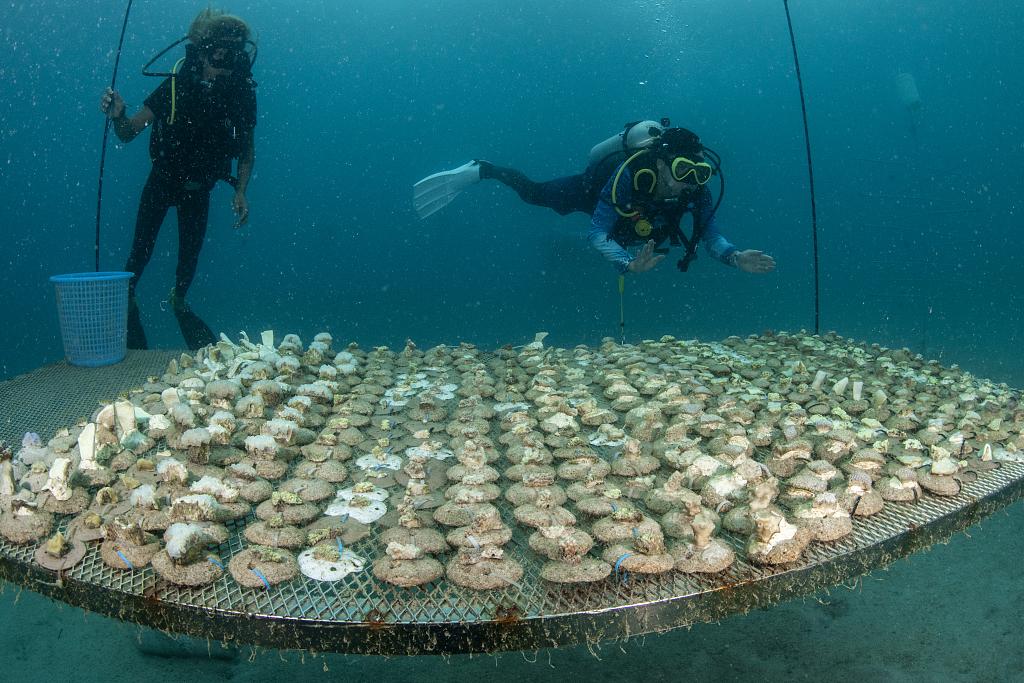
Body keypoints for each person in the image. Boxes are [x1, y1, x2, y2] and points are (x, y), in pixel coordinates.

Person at [412, 119, 775, 277]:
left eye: (700, 173)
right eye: (683, 170)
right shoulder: (630, 173)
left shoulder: (695, 189)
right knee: (534, 194)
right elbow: (598, 231)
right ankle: (483, 169)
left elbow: (711, 235)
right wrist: (626, 264)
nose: (691, 183)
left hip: (634, 221)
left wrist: (734, 257)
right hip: (592, 192)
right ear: (660, 163)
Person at [99, 8, 257, 350]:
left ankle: (180, 302)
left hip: (199, 191)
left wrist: (241, 191)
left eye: (230, 56)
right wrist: (118, 115)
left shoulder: (241, 94)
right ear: (201, 52)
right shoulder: (176, 85)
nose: (220, 66)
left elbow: (246, 150)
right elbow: (128, 132)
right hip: (162, 182)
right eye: (215, 55)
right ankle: (128, 303)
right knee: (138, 255)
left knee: (189, 261)